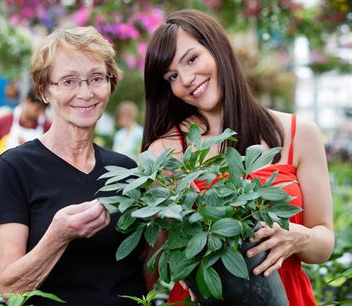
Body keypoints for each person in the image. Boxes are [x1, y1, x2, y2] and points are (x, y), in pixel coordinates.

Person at [142, 9, 334, 306]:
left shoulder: (298, 133)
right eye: (173, 76)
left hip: (287, 295)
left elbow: (324, 244)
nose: (188, 79)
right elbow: (154, 258)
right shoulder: (163, 153)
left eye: (192, 59)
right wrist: (178, 259)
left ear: (217, 48)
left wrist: (297, 237)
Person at [0, 26, 147, 305]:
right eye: (69, 81)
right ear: (45, 90)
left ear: (110, 84)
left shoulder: (127, 170)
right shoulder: (14, 168)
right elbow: (11, 291)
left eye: (96, 78)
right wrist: (58, 235)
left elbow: (147, 267)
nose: (85, 92)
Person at [0, 89, 52, 171]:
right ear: (28, 100)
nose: (40, 113)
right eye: (37, 109)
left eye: (43, 110)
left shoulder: (48, 127)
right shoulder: (2, 122)